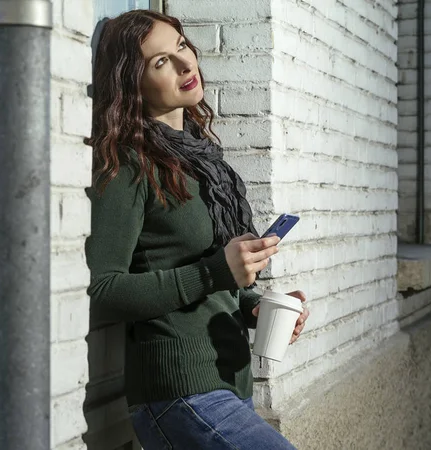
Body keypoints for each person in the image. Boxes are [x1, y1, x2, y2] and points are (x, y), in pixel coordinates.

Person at [85, 9, 310, 450]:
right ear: (132, 83)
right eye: (160, 62)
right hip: (179, 392)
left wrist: (256, 308)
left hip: (230, 383)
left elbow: (223, 283)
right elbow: (104, 289)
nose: (186, 65)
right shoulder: (129, 167)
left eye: (181, 47)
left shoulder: (206, 163)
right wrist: (214, 271)